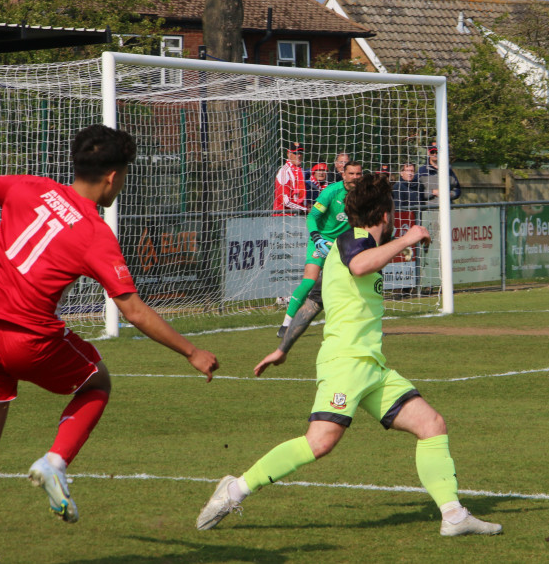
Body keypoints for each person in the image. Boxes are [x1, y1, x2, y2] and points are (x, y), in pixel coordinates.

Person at [0, 125, 219, 564]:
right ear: (113, 177)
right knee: (97, 381)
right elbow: (134, 310)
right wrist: (192, 352)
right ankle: (55, 461)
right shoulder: (95, 233)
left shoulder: (29, 186)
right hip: (30, 339)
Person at [197, 173, 502, 537]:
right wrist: (408, 237)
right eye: (392, 212)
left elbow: (315, 302)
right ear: (385, 215)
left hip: (372, 366)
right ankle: (235, 489)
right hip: (346, 362)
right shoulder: (351, 241)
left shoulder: (352, 249)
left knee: (431, 425)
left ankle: (453, 515)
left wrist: (282, 348)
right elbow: (359, 264)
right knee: (319, 442)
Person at [276, 161, 363, 338]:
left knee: (355, 285)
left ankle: (361, 326)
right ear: (343, 175)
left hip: (344, 244)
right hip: (321, 241)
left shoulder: (364, 194)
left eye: (358, 174)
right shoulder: (331, 192)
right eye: (351, 174)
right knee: (309, 282)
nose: (355, 177)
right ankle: (286, 325)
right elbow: (313, 216)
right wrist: (316, 237)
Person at [272, 142, 308, 215]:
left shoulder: (300, 171)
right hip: (283, 217)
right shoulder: (284, 172)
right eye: (295, 153)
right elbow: (285, 201)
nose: (298, 155)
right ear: (288, 154)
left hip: (297, 216)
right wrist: (304, 209)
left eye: (300, 153)